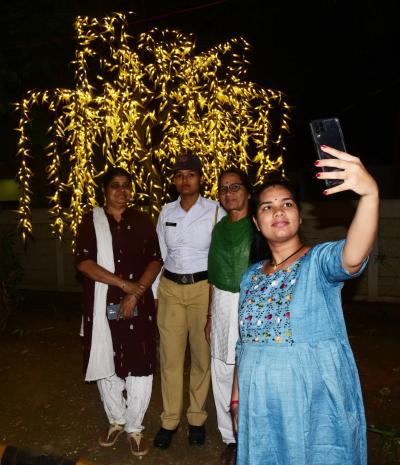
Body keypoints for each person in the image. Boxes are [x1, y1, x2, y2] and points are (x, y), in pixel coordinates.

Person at [231, 146, 379, 465]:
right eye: (267, 207)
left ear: (299, 215)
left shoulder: (318, 262)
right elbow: (243, 344)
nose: (278, 212)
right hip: (260, 402)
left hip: (312, 399)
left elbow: (353, 257)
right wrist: (236, 399)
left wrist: (369, 196)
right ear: (256, 222)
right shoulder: (250, 276)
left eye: (287, 204)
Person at [75, 167, 162, 458]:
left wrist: (135, 294)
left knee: (140, 361)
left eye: (126, 185)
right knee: (106, 357)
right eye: (115, 185)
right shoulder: (91, 221)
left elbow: (155, 259)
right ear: (105, 190)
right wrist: (124, 286)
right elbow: (84, 263)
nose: (122, 191)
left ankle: (135, 427)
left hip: (138, 302)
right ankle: (116, 420)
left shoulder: (142, 220)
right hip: (104, 302)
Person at [153, 153, 225, 449]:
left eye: (191, 174)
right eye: (179, 175)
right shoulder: (166, 211)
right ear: (174, 180)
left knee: (201, 357)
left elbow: (220, 257)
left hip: (202, 289)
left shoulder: (216, 211)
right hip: (170, 288)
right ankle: (169, 420)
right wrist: (156, 294)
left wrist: (215, 300)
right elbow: (159, 254)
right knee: (169, 358)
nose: (185, 180)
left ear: (201, 179)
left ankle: (196, 418)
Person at [205, 168, 253, 465]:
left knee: (247, 371)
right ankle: (231, 438)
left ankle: (250, 436)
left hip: (250, 303)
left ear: (247, 191)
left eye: (235, 187)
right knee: (221, 369)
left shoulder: (259, 225)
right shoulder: (219, 229)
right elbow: (213, 276)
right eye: (223, 188)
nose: (229, 193)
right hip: (222, 304)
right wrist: (210, 316)